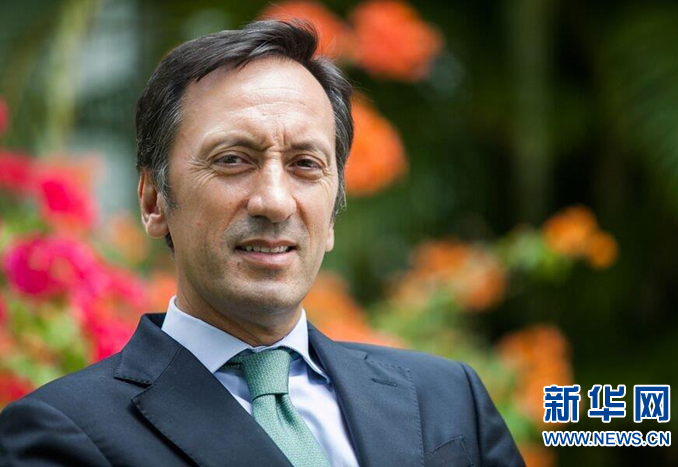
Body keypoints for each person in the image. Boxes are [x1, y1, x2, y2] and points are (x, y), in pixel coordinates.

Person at [0, 21, 524, 467]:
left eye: (305, 164)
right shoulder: (60, 433)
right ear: (155, 200)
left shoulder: (447, 398)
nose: (274, 201)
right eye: (232, 160)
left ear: (333, 210)